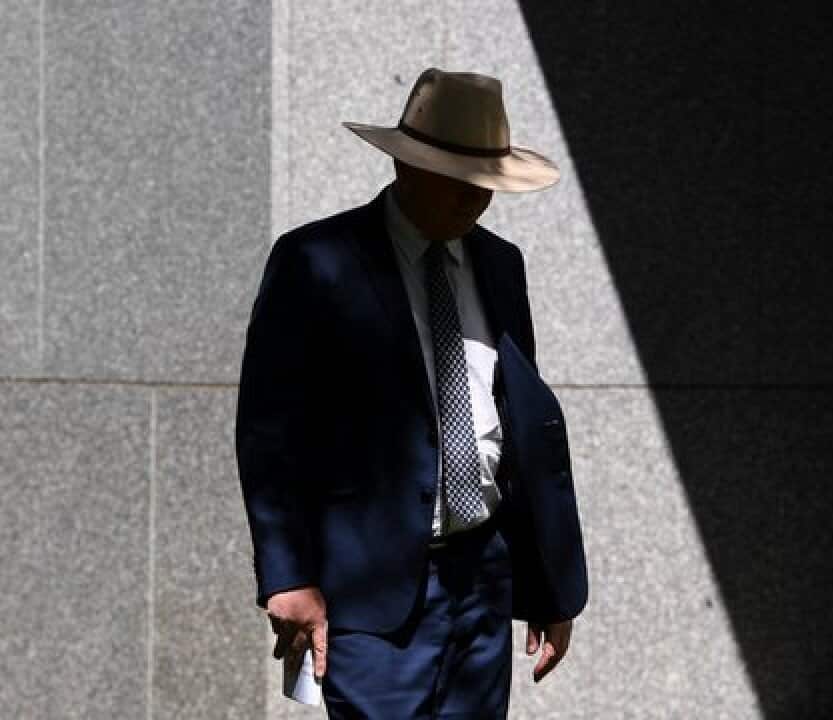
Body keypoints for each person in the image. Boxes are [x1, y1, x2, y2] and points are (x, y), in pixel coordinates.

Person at [234, 67, 586, 718]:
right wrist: (288, 575)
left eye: (485, 183)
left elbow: (519, 424)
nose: (475, 199)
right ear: (407, 167)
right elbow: (268, 429)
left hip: (482, 578)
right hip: (370, 590)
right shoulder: (316, 261)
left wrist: (549, 583)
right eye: (457, 179)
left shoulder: (501, 265)